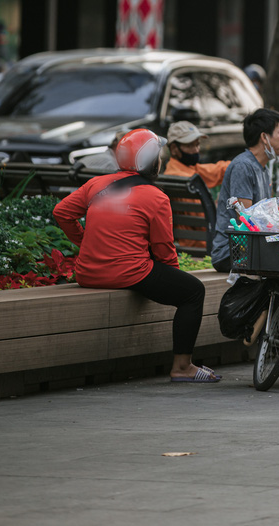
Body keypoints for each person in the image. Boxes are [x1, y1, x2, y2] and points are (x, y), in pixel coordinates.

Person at [54, 128, 220, 384]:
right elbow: (164, 251)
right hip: (129, 273)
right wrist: (174, 278)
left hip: (87, 274)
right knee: (193, 292)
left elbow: (61, 212)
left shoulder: (96, 184)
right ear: (151, 161)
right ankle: (182, 367)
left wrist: (84, 240)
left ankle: (183, 366)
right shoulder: (156, 197)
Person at [210, 108, 279, 273]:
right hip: (231, 251)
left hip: (252, 247)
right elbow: (246, 220)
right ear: (264, 137)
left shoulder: (263, 168)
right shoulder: (243, 166)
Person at [164, 121, 230, 188]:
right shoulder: (182, 179)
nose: (196, 150)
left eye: (197, 145)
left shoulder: (189, 168)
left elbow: (217, 170)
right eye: (189, 146)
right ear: (174, 148)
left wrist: (237, 164)